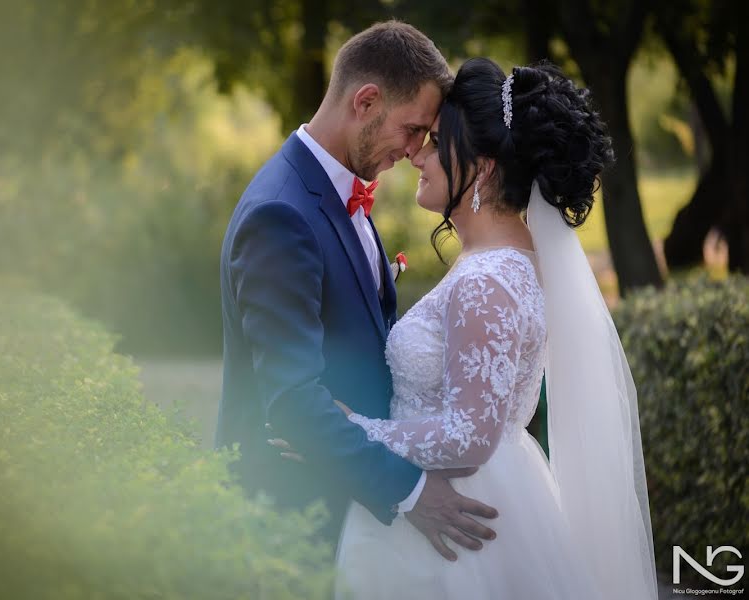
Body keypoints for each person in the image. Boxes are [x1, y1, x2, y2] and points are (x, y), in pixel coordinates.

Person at [332, 57, 659, 598]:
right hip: (488, 493)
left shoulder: (487, 280)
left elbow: (469, 435)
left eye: (435, 143)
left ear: (482, 168)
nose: (416, 153)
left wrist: (354, 432)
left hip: (456, 523)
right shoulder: (504, 262)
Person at [216, 21, 500, 552]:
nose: (417, 150)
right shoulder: (281, 214)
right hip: (291, 519)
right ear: (365, 102)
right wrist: (412, 491)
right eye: (414, 128)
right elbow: (294, 401)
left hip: (346, 513)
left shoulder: (337, 190)